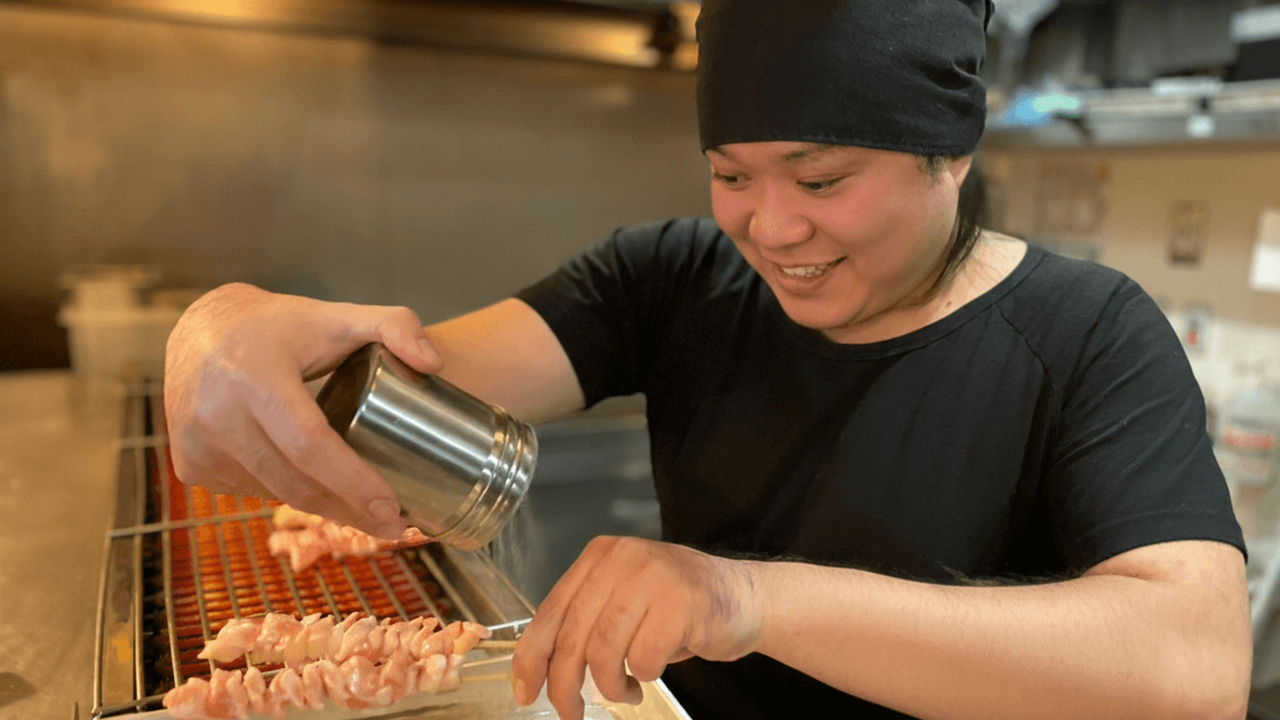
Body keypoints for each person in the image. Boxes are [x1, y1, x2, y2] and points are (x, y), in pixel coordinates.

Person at [162, 0, 1252, 718]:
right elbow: (393, 385)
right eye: (731, 174)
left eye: (819, 179)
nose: (768, 228)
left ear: (949, 157)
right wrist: (225, 325)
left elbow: (1193, 662)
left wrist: (744, 601)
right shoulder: (675, 278)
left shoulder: (1086, 332)